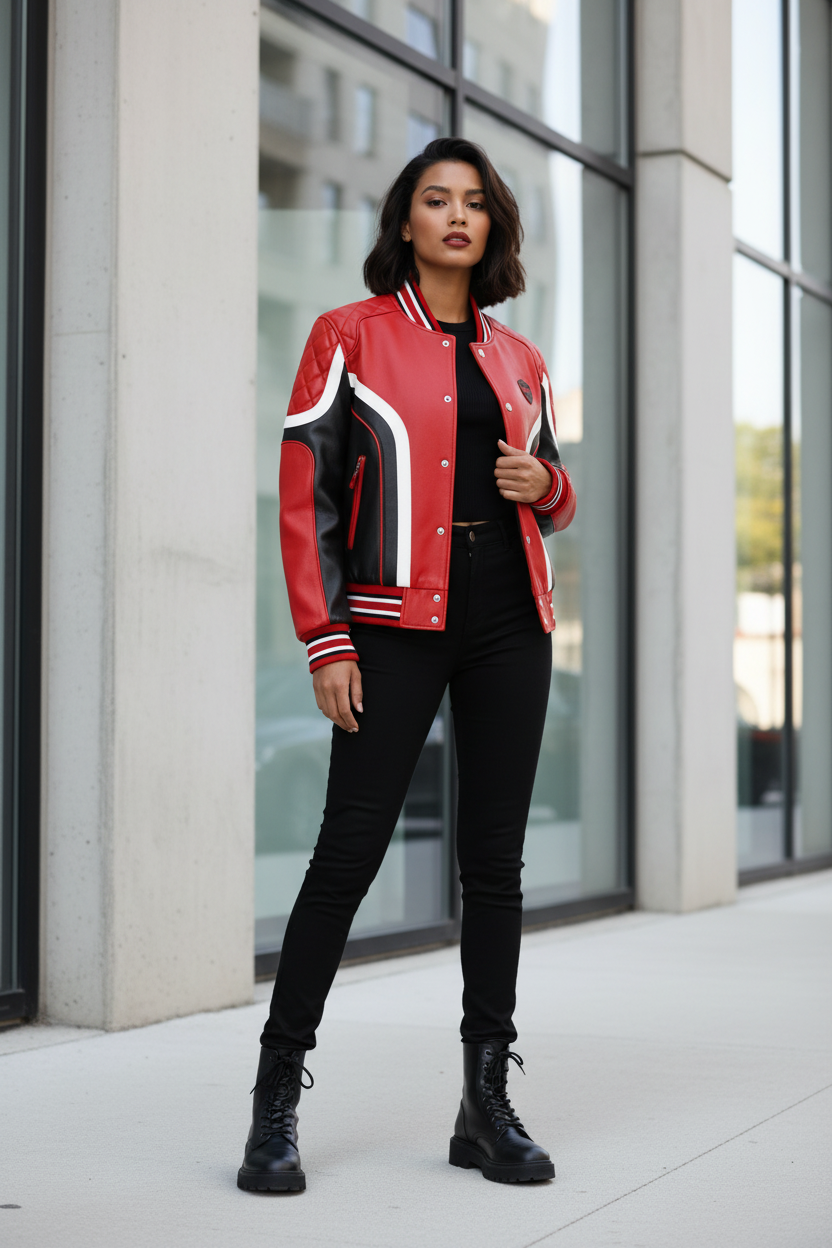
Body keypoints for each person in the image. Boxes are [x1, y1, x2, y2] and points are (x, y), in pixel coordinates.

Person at [237, 137, 576, 1193]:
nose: (457, 217)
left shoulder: (520, 359)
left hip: (508, 621)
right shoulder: (348, 336)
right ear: (406, 222)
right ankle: (274, 1101)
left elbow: (554, 494)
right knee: (347, 854)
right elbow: (307, 499)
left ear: (493, 228)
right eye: (437, 200)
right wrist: (324, 637)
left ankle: (484, 1100)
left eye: (475, 202)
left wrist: (544, 488)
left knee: (495, 866)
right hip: (387, 623)